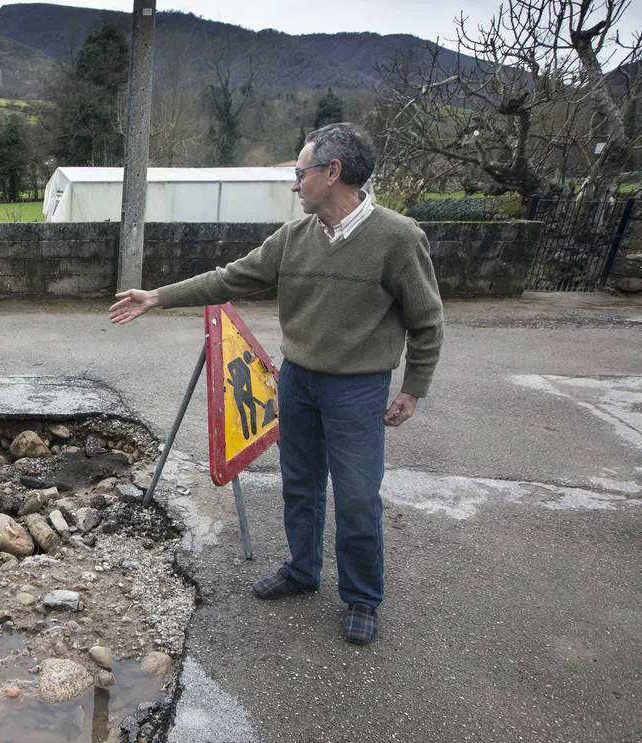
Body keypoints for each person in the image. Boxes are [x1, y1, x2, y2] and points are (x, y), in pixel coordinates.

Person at [109, 122, 443, 646]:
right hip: (298, 381)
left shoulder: (398, 238)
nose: (294, 183)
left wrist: (413, 387)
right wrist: (159, 296)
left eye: (300, 172)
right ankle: (303, 570)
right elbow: (230, 277)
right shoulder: (294, 238)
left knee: (356, 497)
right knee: (301, 485)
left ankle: (361, 597)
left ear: (332, 173)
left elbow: (427, 320)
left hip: (357, 389)